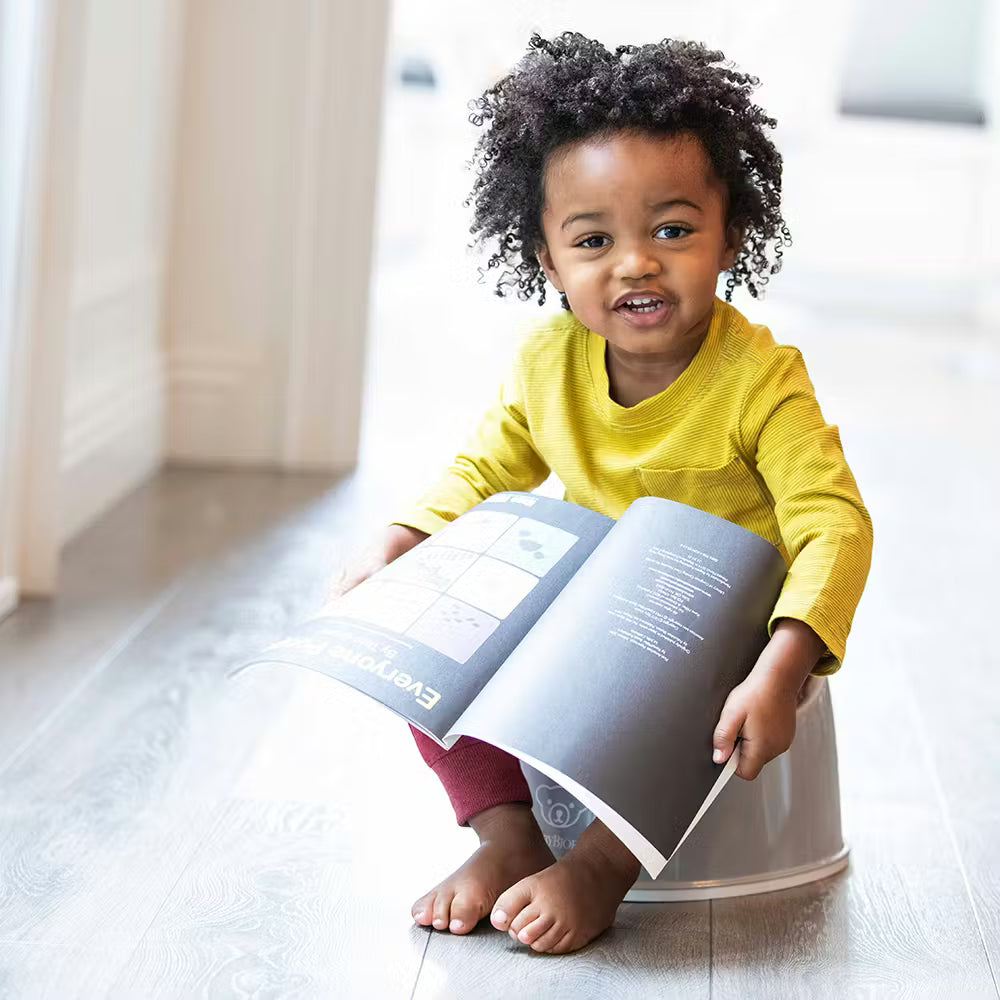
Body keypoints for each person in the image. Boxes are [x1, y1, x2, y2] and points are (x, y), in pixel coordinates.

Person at [330, 31, 874, 955]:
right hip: (588, 619)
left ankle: (599, 865)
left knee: (679, 696)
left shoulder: (761, 379)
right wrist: (408, 536)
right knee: (433, 640)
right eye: (593, 240)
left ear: (729, 233)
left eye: (673, 229)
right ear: (547, 262)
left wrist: (782, 665)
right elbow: (486, 466)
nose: (635, 263)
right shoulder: (550, 361)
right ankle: (509, 841)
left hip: (704, 630)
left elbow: (832, 522)